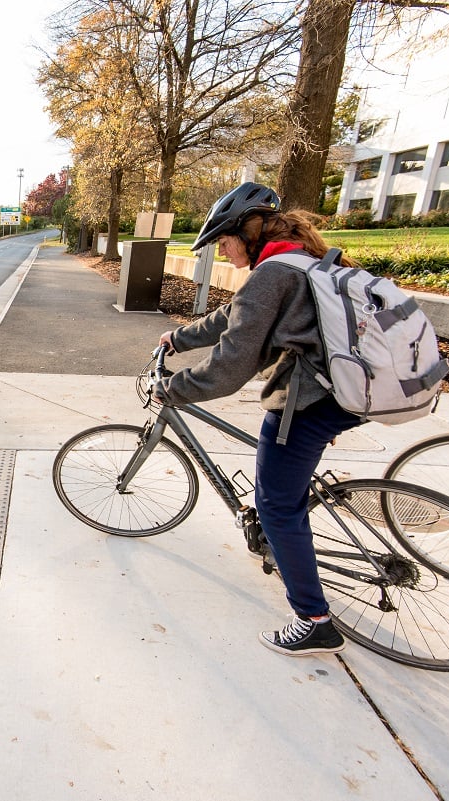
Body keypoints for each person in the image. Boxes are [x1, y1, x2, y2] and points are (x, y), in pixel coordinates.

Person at [155, 182, 365, 657]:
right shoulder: (299, 261)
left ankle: (315, 621)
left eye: (223, 242)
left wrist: (173, 388)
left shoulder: (272, 274)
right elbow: (232, 317)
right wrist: (178, 339)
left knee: (276, 505)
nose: (222, 252)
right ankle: (277, 542)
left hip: (309, 401)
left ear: (248, 233)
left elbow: (231, 365)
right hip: (340, 392)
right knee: (285, 486)